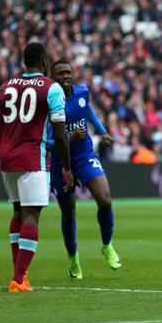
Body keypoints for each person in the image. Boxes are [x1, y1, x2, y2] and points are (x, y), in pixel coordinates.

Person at [0, 42, 73, 292]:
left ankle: (21, 275)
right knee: (31, 215)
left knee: (18, 212)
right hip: (33, 158)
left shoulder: (4, 87)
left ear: (23, 62)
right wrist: (67, 167)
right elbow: (60, 135)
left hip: (7, 159)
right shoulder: (51, 88)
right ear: (44, 62)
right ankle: (19, 279)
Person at [47, 60, 120, 279]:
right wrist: (68, 137)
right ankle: (73, 258)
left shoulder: (81, 92)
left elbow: (87, 109)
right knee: (69, 213)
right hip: (60, 163)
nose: (66, 76)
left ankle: (107, 245)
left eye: (68, 72)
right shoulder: (48, 103)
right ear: (52, 76)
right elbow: (46, 142)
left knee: (105, 199)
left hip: (84, 156)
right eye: (60, 73)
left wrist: (102, 130)